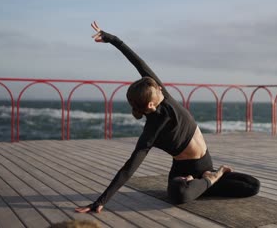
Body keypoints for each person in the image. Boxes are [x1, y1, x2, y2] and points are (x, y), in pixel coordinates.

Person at [75, 21, 260, 214]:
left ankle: (202, 183)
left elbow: (137, 62)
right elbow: (128, 169)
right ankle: (209, 180)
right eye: (158, 90)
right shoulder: (151, 132)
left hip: (205, 164)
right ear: (150, 105)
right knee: (178, 195)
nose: (161, 88)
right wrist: (100, 201)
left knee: (252, 186)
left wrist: (111, 38)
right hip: (182, 173)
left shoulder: (164, 97)